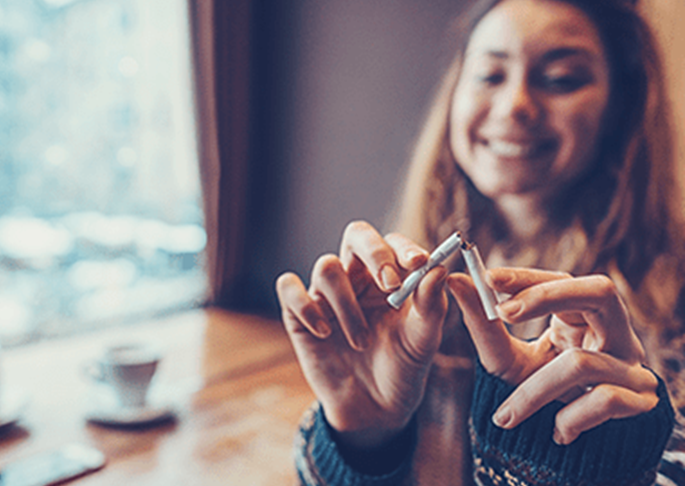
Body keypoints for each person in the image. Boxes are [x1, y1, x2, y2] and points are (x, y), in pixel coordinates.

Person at [275, 0, 685, 484]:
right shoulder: (407, 293)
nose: (515, 105)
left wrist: (603, 468)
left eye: (560, 79)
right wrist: (364, 439)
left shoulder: (673, 304)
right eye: (490, 75)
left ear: (622, 105)